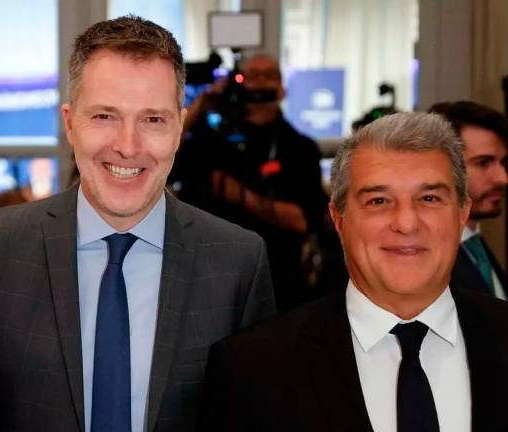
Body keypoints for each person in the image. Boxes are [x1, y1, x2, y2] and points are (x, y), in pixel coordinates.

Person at [0, 15, 276, 432]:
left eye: (153, 119)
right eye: (104, 117)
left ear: (178, 128)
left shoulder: (238, 261)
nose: (128, 147)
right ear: (69, 123)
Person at [200, 112, 508, 431]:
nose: (406, 223)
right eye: (378, 201)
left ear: (462, 214)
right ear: (339, 220)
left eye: (429, 198)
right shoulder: (253, 368)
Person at [177, 53, 330, 311]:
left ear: (282, 89)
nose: (260, 83)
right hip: (208, 276)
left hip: (276, 278)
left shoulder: (299, 148)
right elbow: (163, 150)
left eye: (269, 75)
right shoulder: (211, 141)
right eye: (252, 76)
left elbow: (303, 220)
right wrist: (203, 102)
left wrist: (242, 197)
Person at [430, 101, 508, 299]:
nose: (502, 178)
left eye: (503, 163)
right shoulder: (424, 258)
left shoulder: (476, 245)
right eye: (483, 163)